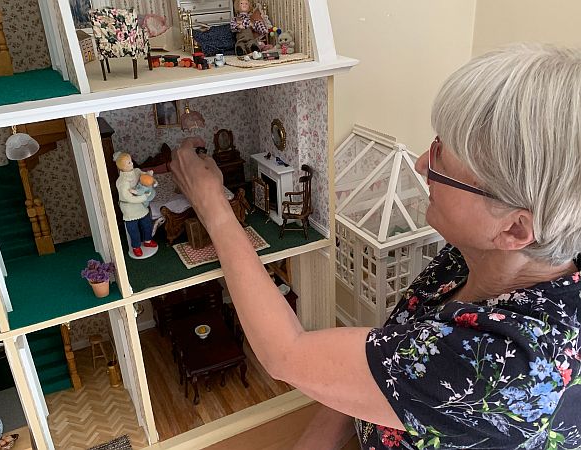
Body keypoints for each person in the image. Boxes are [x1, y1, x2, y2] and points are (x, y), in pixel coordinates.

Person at [170, 44, 581, 449]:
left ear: (513, 229)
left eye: (441, 157)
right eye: (436, 141)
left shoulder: (503, 366)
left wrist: (214, 207)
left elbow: (285, 354)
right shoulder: (469, 259)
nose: (421, 163)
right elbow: (381, 368)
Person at [114, 152, 158, 257]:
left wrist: (153, 180)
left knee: (147, 224)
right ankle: (136, 246)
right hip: (129, 208)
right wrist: (143, 197)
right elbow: (127, 197)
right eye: (128, 163)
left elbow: (146, 177)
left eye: (131, 161)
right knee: (133, 230)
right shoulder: (122, 181)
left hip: (141, 206)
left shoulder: (137, 171)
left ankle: (147, 240)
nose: (132, 163)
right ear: (122, 167)